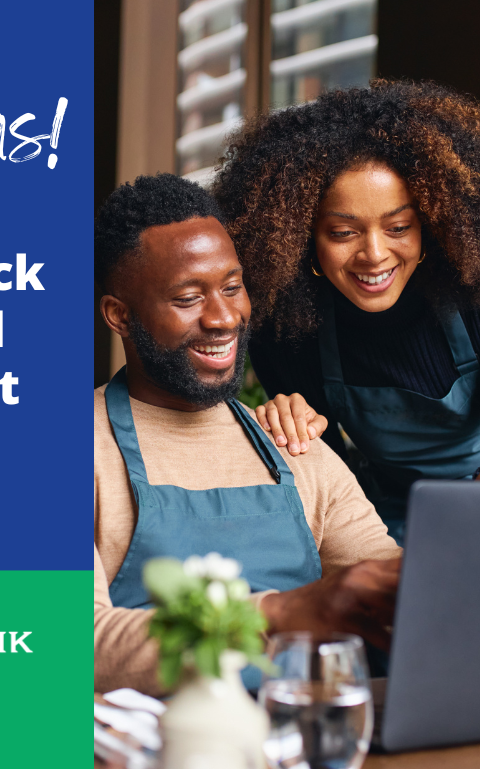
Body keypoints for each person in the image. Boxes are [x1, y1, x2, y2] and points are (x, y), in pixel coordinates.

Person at [94, 173, 401, 696]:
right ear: (120, 316)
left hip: (306, 752)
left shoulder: (296, 443)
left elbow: (393, 594)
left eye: (232, 287)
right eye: (189, 298)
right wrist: (281, 612)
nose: (223, 317)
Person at [213, 80, 480, 544]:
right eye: (343, 232)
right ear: (302, 239)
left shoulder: (471, 293)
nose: (375, 255)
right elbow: (329, 484)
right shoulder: (289, 331)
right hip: (391, 522)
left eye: (399, 226)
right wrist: (290, 429)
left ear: (431, 226)